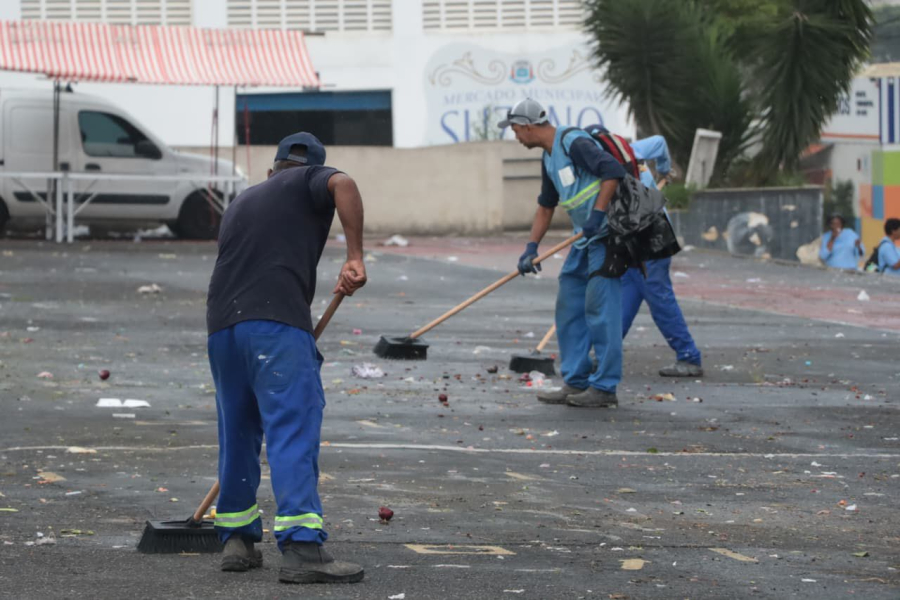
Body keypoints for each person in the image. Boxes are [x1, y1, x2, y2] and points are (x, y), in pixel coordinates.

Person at [205, 132, 367, 584]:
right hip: (274, 326)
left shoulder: (243, 199)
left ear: (271, 169)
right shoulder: (310, 181)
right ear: (308, 170)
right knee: (292, 426)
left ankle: (236, 539)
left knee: (238, 430)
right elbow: (346, 184)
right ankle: (302, 547)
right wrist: (355, 256)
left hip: (223, 328)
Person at [501, 99, 626, 408]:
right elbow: (546, 206)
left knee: (601, 310)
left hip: (606, 236)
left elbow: (612, 171)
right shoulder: (548, 158)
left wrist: (598, 214)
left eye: (516, 129)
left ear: (529, 126)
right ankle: (575, 380)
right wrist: (531, 248)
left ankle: (605, 387)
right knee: (569, 306)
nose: (515, 136)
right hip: (582, 239)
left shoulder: (574, 141)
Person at [620, 134, 703, 377]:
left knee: (658, 295)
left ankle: (689, 356)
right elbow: (659, 142)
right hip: (633, 238)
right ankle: (606, 354)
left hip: (651, 236)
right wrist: (664, 171)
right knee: (626, 295)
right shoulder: (630, 150)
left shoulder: (607, 161)